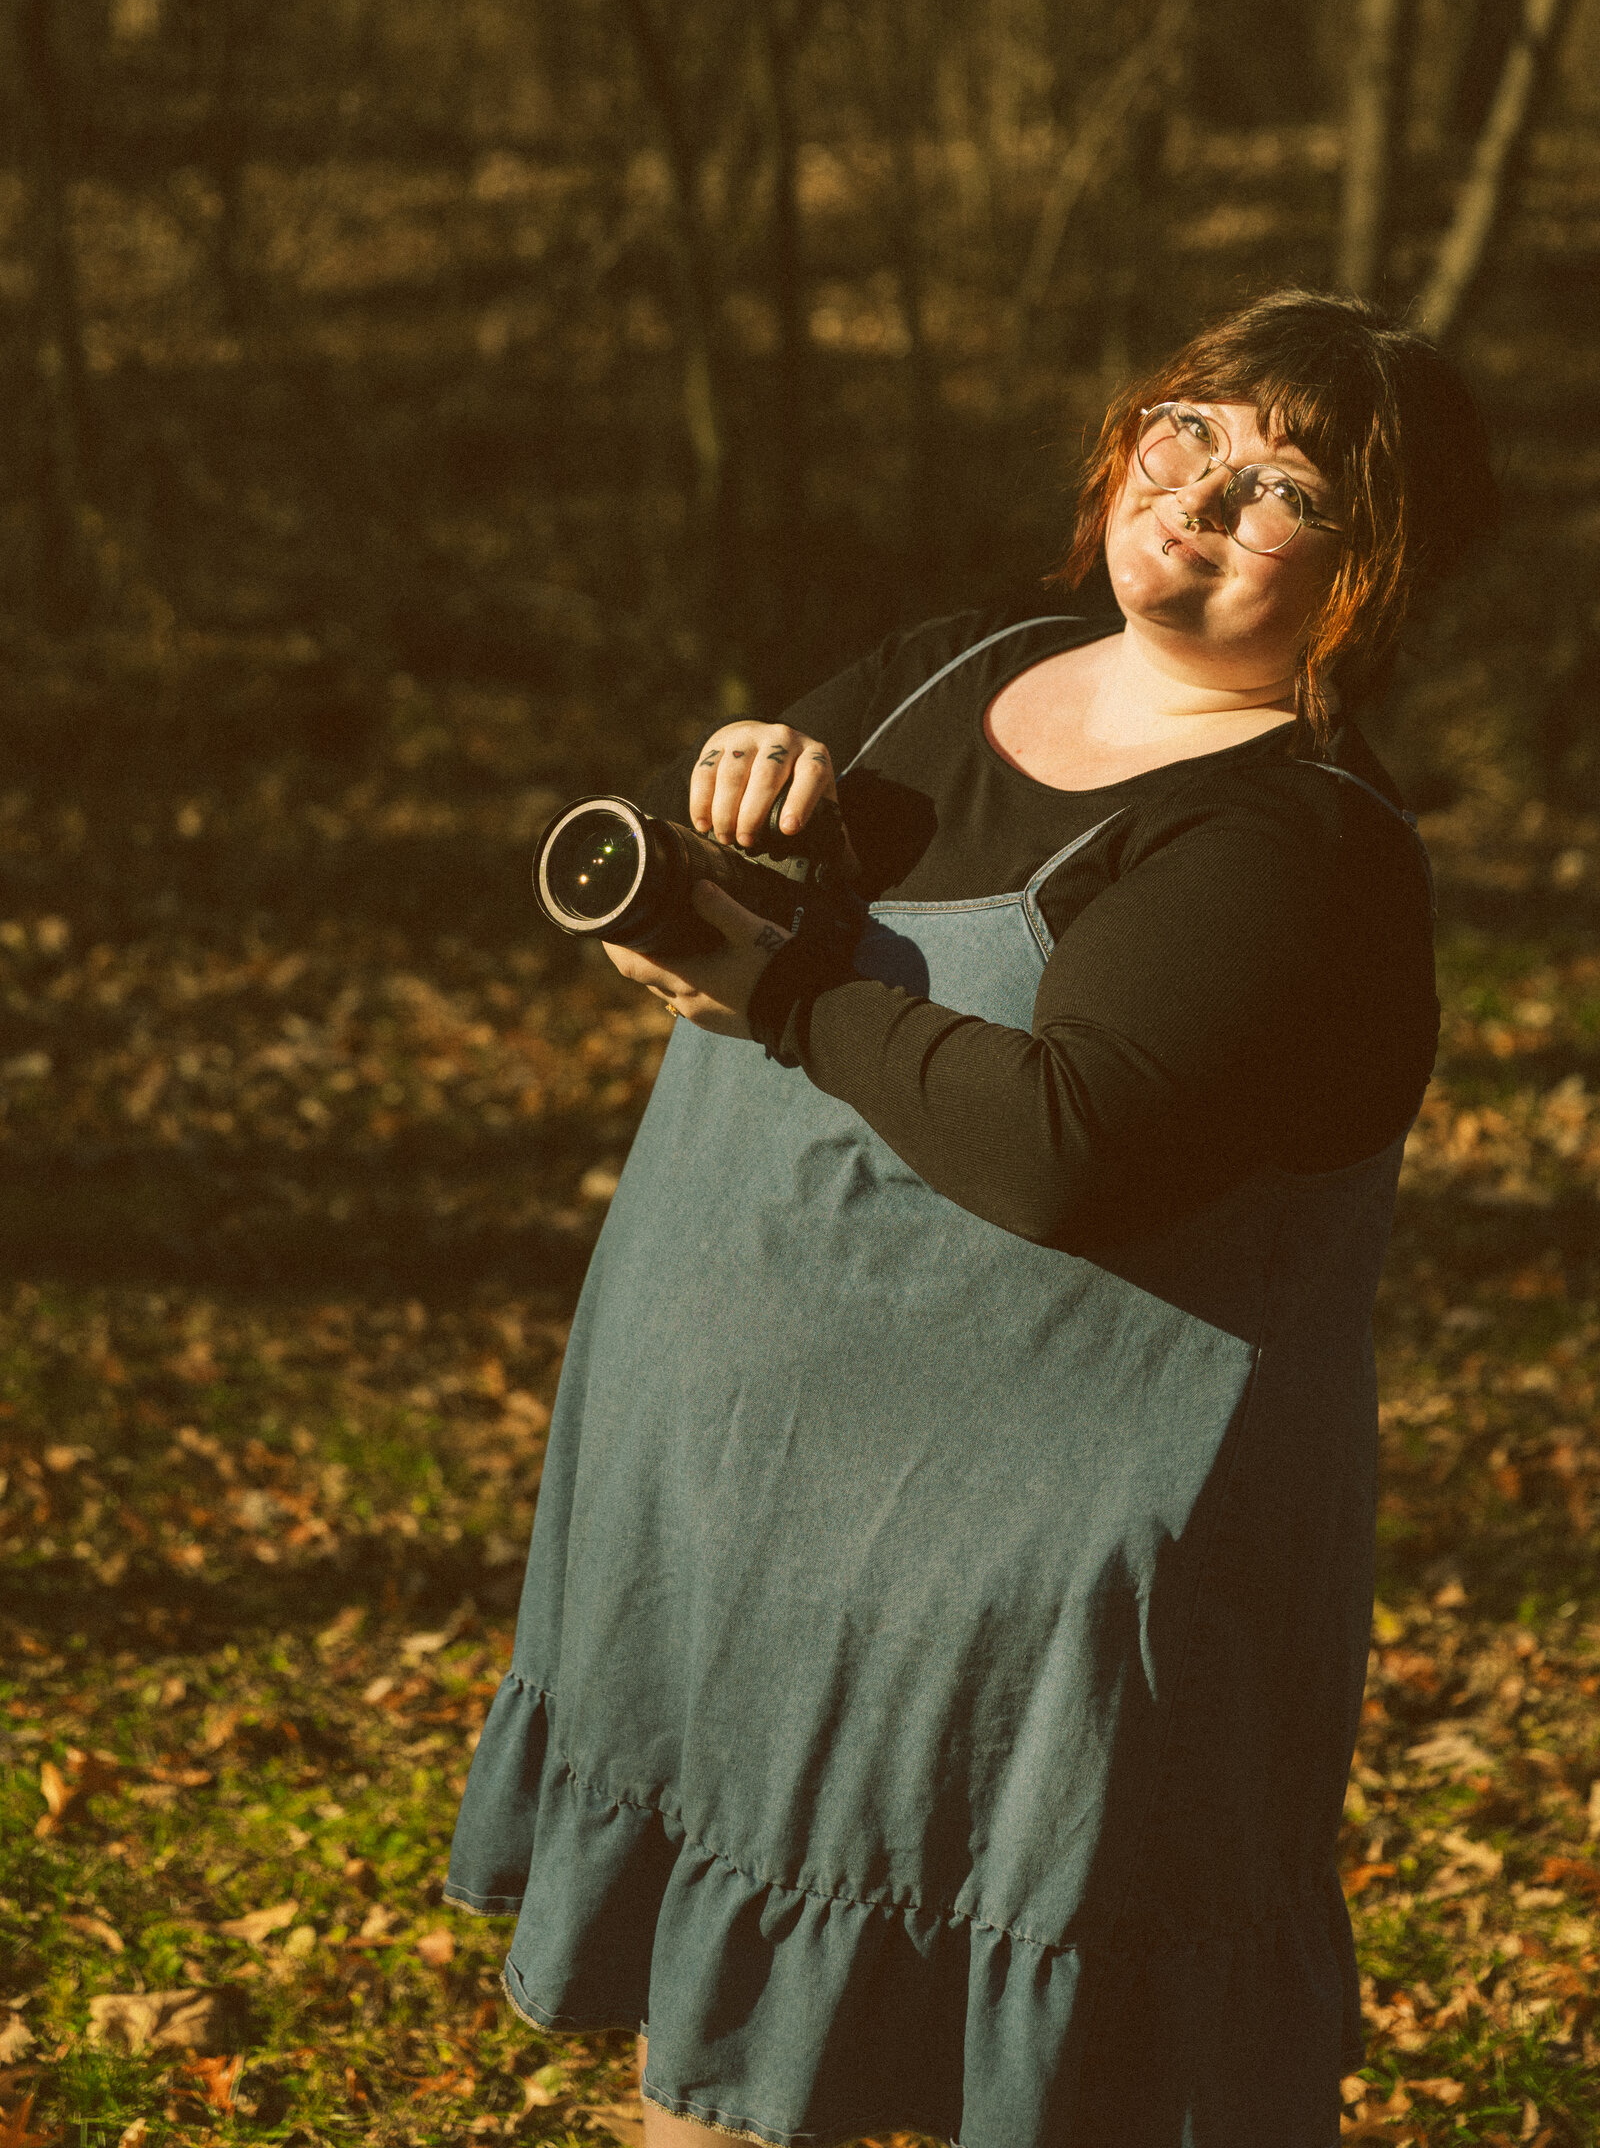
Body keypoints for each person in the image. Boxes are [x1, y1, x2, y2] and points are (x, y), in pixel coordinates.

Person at [445, 289, 1498, 2148]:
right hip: (755, 1510)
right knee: (719, 2051)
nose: (1204, 493)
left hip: (1026, 1589)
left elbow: (1064, 1143)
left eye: (1292, 491)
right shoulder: (957, 667)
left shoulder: (1294, 840)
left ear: (1369, 585)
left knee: (1059, 2081)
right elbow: (731, 924)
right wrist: (719, 830)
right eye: (1192, 430)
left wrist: (779, 985)